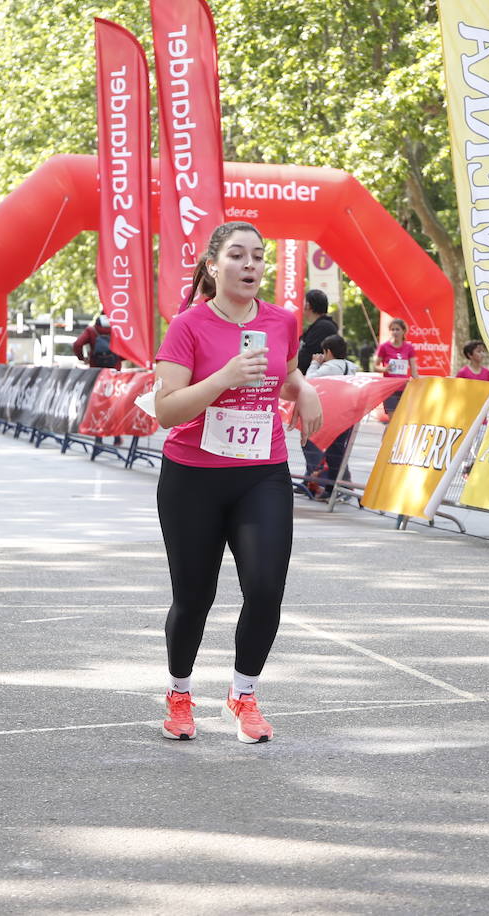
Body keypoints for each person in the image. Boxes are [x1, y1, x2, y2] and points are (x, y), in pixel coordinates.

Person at [152, 220, 322, 745]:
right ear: (213, 266)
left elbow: (284, 373)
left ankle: (243, 694)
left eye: (258, 256)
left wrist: (306, 390)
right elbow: (164, 409)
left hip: (261, 473)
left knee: (267, 588)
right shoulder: (188, 326)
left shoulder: (282, 321)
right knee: (194, 598)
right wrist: (224, 377)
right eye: (237, 256)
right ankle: (180, 692)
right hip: (193, 477)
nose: (250, 265)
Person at [304, 334, 358, 498]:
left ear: (328, 351)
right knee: (337, 451)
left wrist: (314, 363)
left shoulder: (331, 366)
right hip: (347, 414)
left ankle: (330, 488)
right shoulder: (351, 366)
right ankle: (335, 487)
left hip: (333, 415)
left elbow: (309, 380)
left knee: (330, 452)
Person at [375, 317, 418, 417]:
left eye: (397, 329)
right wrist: (385, 369)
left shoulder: (409, 348)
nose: (395, 332)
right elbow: (375, 366)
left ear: (404, 331)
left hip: (404, 388)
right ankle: (389, 432)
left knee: (402, 420)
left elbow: (414, 371)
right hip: (389, 388)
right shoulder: (384, 347)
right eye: (392, 329)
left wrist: (420, 385)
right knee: (392, 420)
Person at [296, 288, 337, 374]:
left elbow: (307, 355)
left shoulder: (323, 327)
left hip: (316, 378)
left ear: (308, 305)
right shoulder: (319, 326)